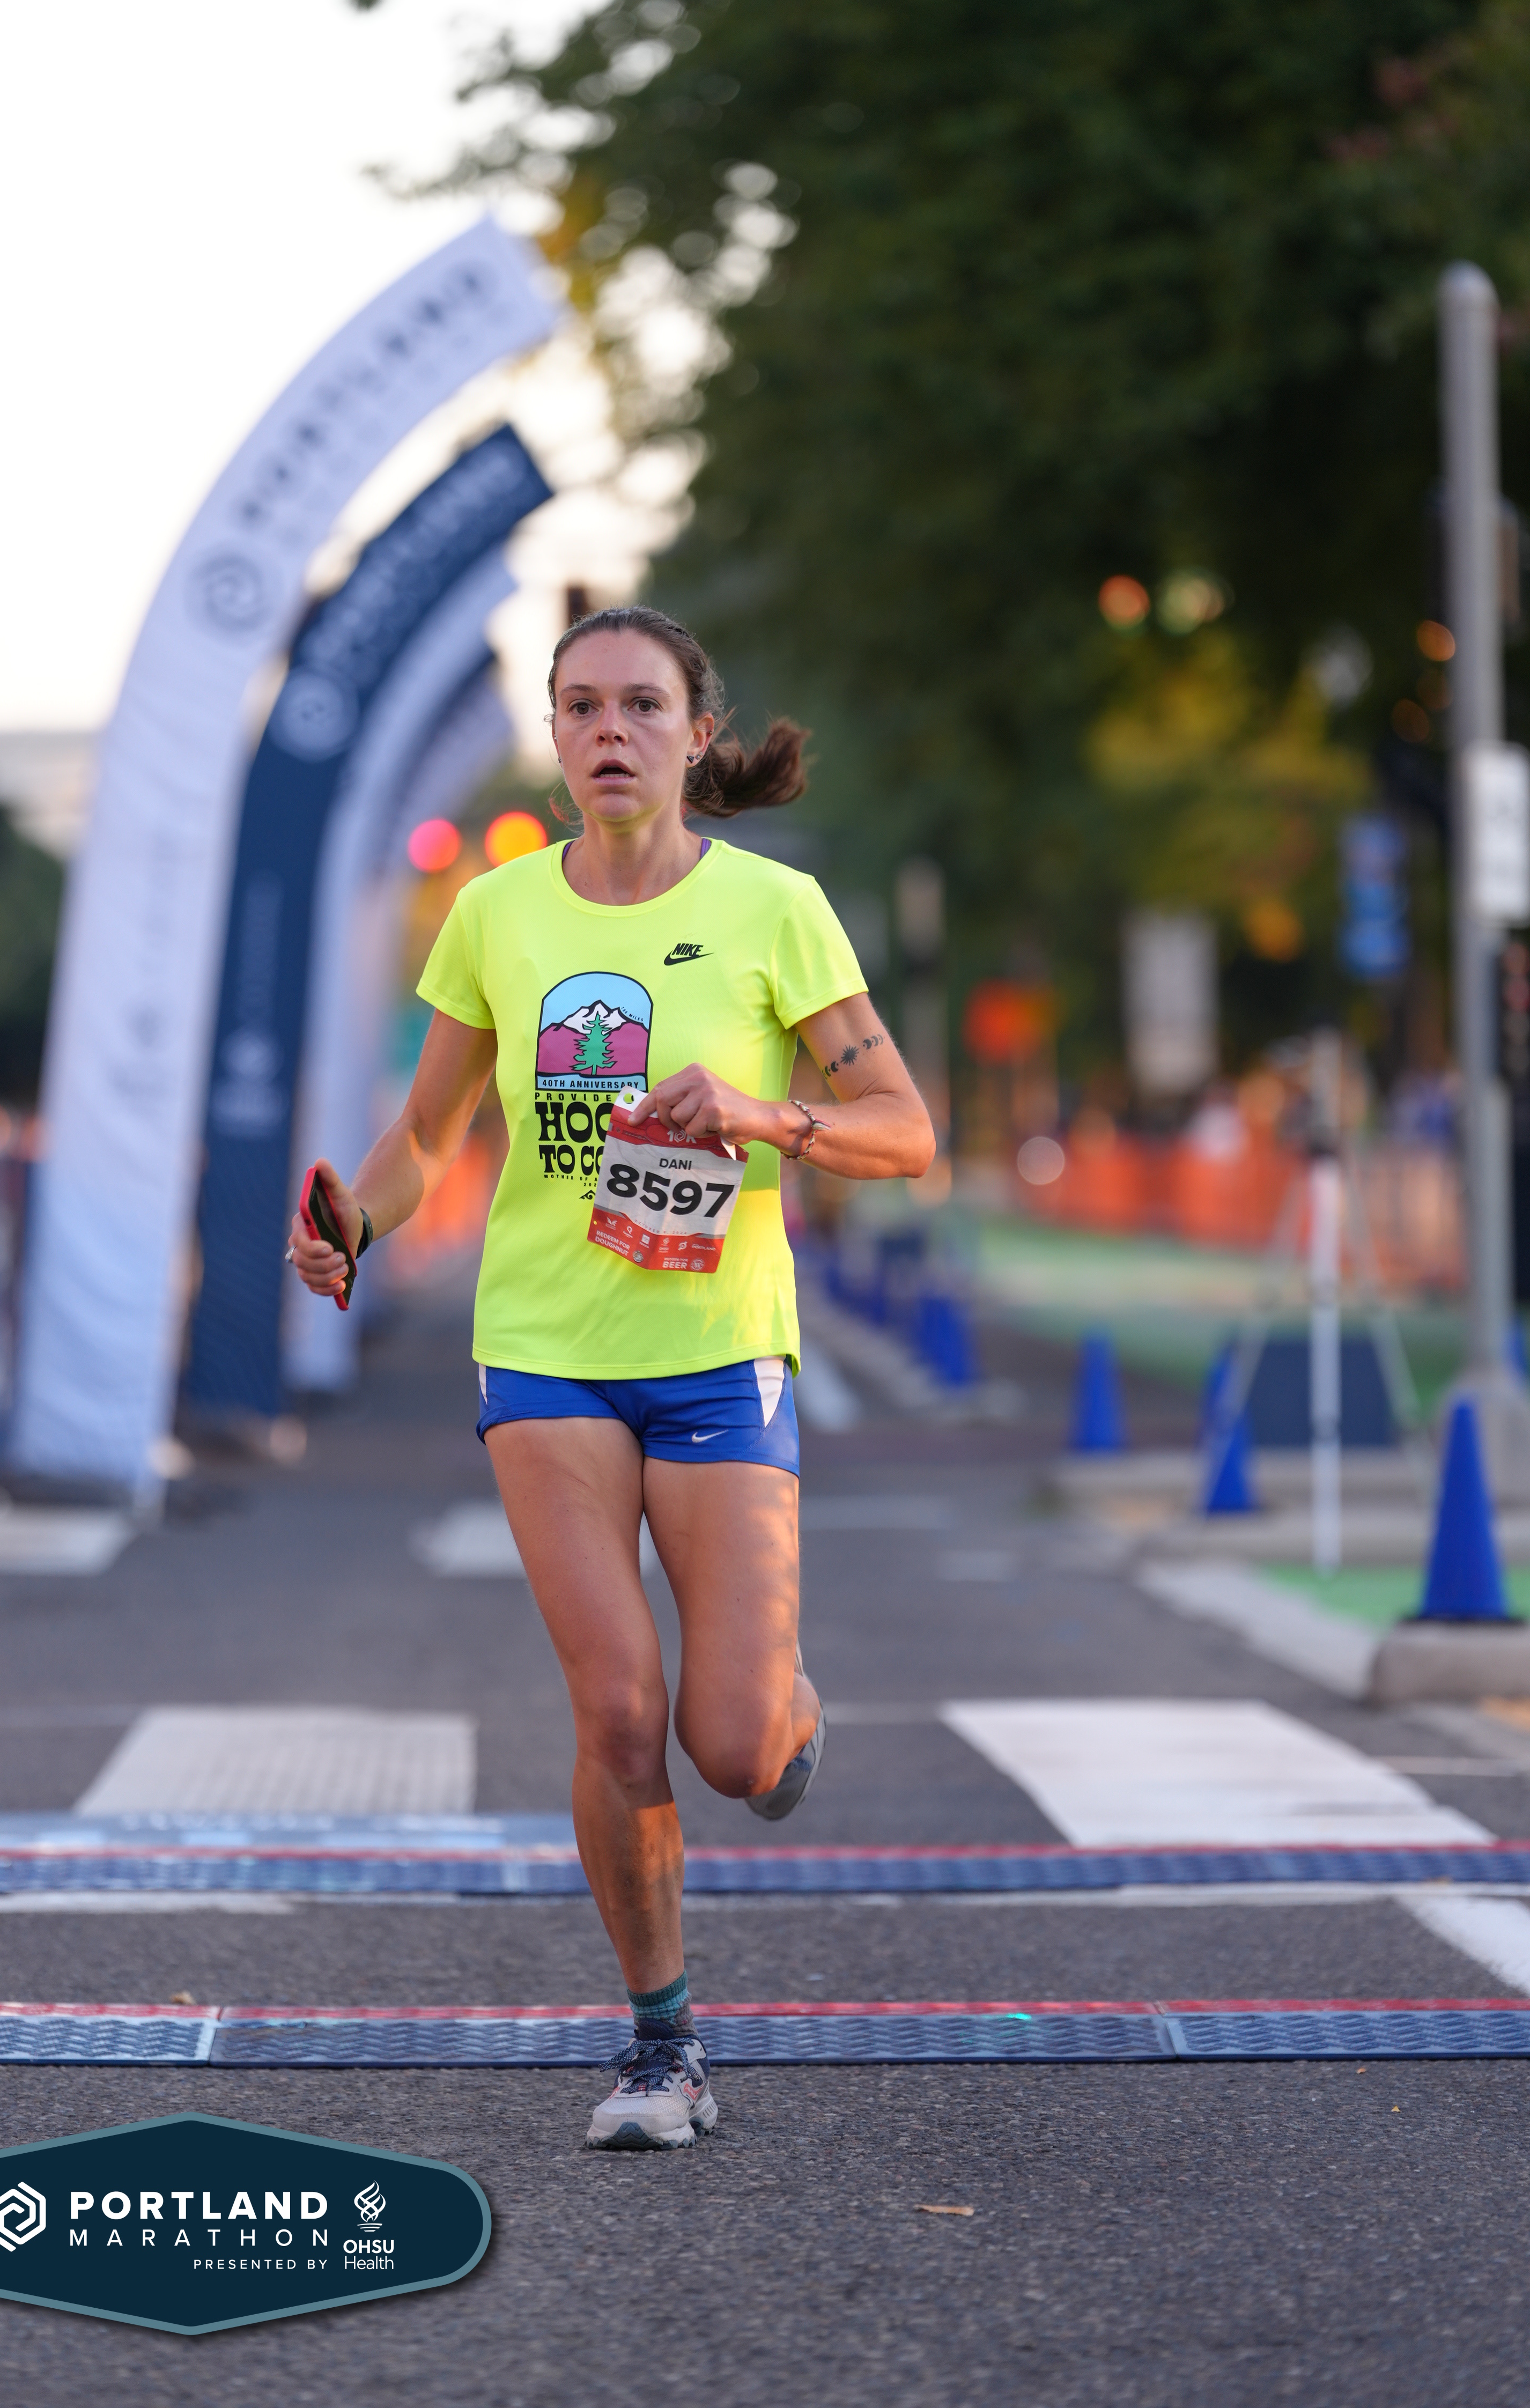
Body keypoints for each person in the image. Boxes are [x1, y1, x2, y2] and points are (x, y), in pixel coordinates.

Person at [290, 605, 934, 2150]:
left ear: (695, 736)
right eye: (581, 706)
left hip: (717, 1352)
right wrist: (355, 1221)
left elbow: (908, 1133)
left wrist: (766, 1118)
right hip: (546, 1350)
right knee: (619, 1709)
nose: (609, 732)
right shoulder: (496, 915)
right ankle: (663, 2047)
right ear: (558, 735)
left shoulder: (777, 910)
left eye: (642, 705)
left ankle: (784, 1708)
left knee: (734, 1745)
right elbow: (430, 1136)